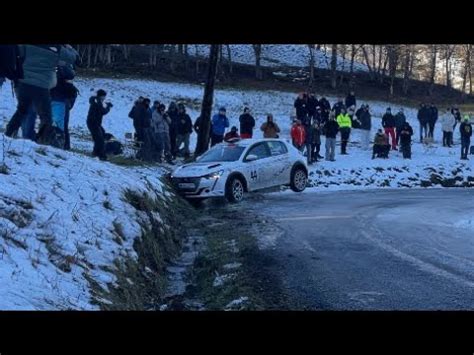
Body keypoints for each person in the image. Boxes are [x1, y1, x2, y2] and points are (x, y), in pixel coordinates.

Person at [5, 44, 77, 147]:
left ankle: (9, 133)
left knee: (22, 110)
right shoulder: (57, 47)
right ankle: (44, 140)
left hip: (24, 82)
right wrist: (70, 48)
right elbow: (72, 58)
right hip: (42, 85)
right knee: (46, 116)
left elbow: (17, 52)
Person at [86, 89, 112, 161]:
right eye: (104, 96)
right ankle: (102, 156)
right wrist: (108, 107)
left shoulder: (96, 100)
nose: (104, 98)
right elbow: (103, 111)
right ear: (102, 96)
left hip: (94, 122)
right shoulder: (97, 101)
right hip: (94, 123)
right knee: (100, 139)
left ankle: (96, 153)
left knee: (100, 135)